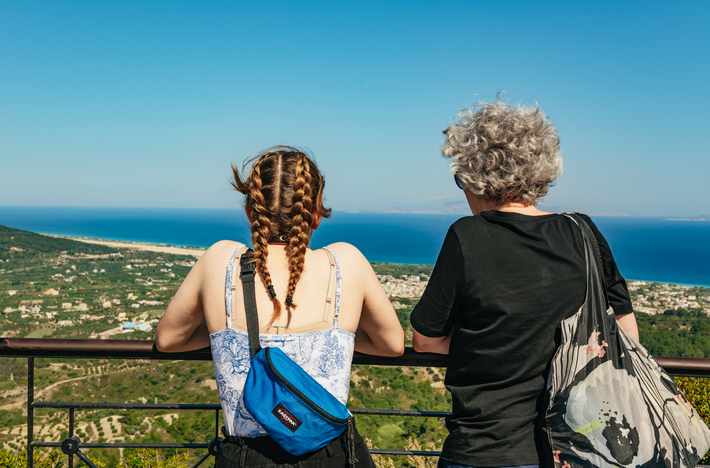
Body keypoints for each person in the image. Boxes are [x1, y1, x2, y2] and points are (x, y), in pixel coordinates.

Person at [410, 99, 638, 468]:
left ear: (474, 176)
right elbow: (626, 334)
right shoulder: (582, 231)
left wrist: (487, 341)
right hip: (583, 445)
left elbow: (425, 340)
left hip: (485, 447)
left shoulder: (467, 236)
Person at [157, 146, 405, 468]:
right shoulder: (347, 262)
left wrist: (224, 336)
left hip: (246, 456)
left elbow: (168, 340)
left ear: (250, 212)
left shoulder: (220, 260)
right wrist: (341, 337)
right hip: (329, 455)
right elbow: (393, 344)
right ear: (315, 213)